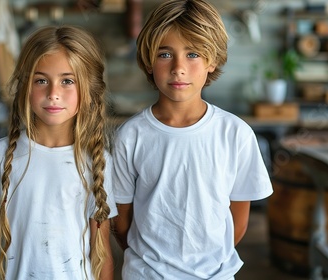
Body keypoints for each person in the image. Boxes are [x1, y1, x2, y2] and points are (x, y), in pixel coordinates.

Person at [111, 0, 273, 279]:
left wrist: (203, 264)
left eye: (193, 54)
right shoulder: (131, 136)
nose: (178, 68)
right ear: (148, 61)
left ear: (212, 61)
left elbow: (240, 219)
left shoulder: (235, 134)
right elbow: (121, 220)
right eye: (164, 54)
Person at [0, 25, 118, 280]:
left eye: (67, 81)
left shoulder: (98, 161)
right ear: (26, 86)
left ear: (88, 90)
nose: (53, 94)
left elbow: (101, 251)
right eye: (41, 81)